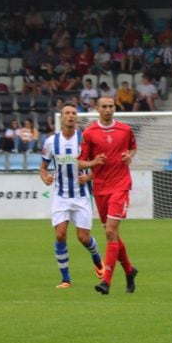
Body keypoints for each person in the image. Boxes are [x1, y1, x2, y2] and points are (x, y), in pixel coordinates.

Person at [40, 103, 104, 288]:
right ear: (62, 117)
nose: (71, 116)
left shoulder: (85, 139)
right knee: (60, 235)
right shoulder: (52, 142)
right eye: (67, 113)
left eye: (74, 113)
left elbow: (98, 165)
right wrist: (45, 178)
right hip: (61, 195)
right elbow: (43, 168)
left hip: (81, 196)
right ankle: (65, 279)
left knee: (83, 238)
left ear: (77, 117)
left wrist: (90, 175)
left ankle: (97, 258)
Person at [79, 96, 139, 295]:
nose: (107, 110)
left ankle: (106, 281)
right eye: (104, 107)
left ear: (115, 108)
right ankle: (129, 271)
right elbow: (80, 161)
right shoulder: (89, 133)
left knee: (110, 232)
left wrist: (129, 156)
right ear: (97, 109)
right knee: (113, 235)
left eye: (111, 106)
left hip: (120, 186)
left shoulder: (125, 130)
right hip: (100, 189)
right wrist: (92, 164)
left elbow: (133, 147)